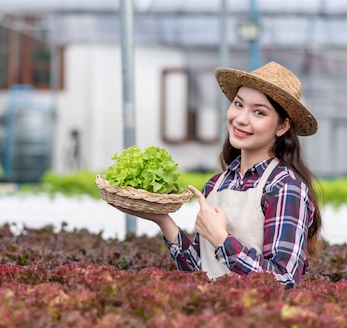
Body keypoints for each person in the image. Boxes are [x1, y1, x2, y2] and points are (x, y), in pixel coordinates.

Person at [120, 61, 322, 288]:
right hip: (210, 315)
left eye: (259, 112)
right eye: (238, 104)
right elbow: (201, 270)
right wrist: (162, 219)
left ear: (282, 126)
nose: (241, 118)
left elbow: (283, 281)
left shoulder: (285, 187)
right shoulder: (216, 184)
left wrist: (221, 239)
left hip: (257, 320)